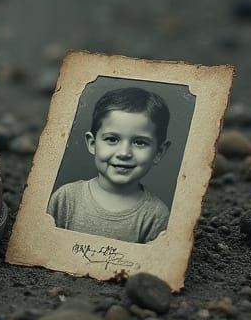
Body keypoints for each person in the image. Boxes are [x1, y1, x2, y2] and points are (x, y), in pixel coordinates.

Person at [48, 86, 171, 244]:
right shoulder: (65, 198)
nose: (124, 153)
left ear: (159, 152)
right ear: (92, 143)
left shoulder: (156, 216)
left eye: (140, 142)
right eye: (112, 139)